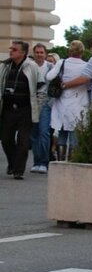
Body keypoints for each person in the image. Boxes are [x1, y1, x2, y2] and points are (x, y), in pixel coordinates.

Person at [0, 41, 42, 179]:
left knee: (23, 142)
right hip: (7, 108)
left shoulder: (32, 66)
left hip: (25, 109)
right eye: (11, 48)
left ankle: (18, 170)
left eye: (14, 49)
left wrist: (38, 107)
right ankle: (12, 163)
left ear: (23, 53)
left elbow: (40, 88)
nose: (11, 51)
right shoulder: (5, 66)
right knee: (6, 139)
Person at [46, 41, 89, 161]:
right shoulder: (86, 65)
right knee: (75, 133)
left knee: (62, 133)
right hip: (78, 102)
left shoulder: (62, 63)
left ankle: (60, 161)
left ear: (69, 51)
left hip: (62, 102)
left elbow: (49, 77)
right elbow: (89, 83)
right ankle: (72, 161)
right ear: (82, 51)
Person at [29, 43, 55, 174]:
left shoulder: (51, 67)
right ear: (34, 53)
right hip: (31, 102)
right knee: (34, 134)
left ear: (45, 54)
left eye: (41, 52)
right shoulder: (29, 66)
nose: (39, 54)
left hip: (45, 102)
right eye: (37, 52)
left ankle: (44, 162)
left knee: (44, 132)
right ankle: (36, 161)